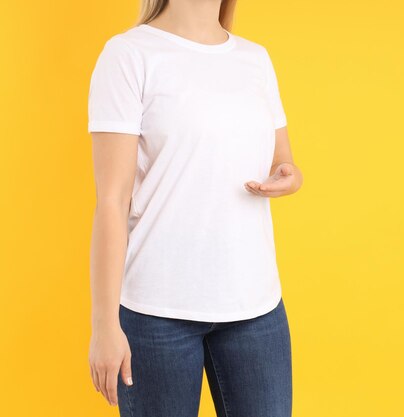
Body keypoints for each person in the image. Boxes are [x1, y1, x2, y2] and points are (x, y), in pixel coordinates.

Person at [86, 1, 303, 416]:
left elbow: (284, 161)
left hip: (255, 305)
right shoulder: (129, 55)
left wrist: (287, 177)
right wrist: (103, 325)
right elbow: (112, 201)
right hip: (157, 312)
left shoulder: (254, 59)